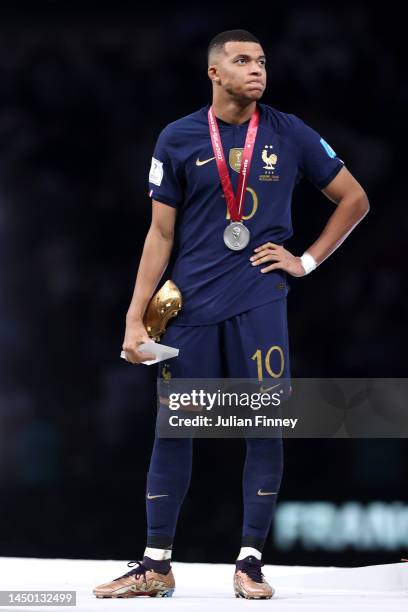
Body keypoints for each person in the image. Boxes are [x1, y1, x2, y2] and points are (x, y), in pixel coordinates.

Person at [93, 29, 369, 600]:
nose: (257, 70)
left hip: (260, 302)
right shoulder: (178, 137)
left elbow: (355, 198)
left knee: (264, 428)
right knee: (175, 429)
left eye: (262, 61)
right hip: (189, 306)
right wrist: (134, 317)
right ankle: (155, 564)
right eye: (243, 61)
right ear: (214, 72)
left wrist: (308, 261)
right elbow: (159, 232)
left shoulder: (289, 132)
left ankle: (250, 563)